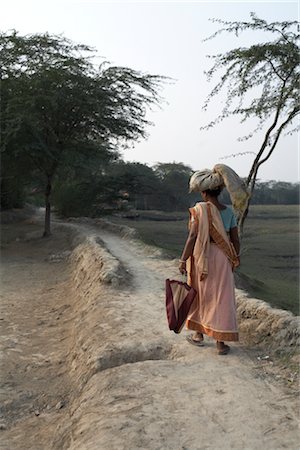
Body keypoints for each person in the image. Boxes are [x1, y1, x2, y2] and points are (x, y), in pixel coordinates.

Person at [179, 164, 249, 355]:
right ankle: (220, 343)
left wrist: (182, 260)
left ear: (203, 193)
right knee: (221, 298)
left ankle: (198, 335)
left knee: (199, 294)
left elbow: (193, 237)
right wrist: (235, 258)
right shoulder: (229, 212)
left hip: (201, 256)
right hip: (223, 258)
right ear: (219, 191)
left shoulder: (199, 210)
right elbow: (235, 239)